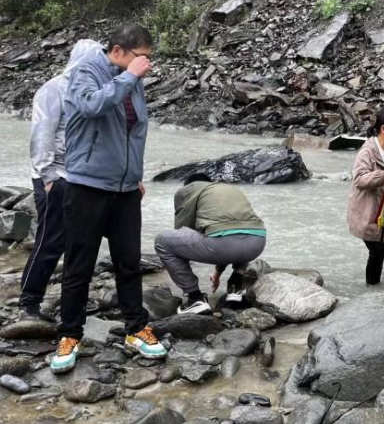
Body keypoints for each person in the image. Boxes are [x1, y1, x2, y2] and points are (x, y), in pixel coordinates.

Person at [50, 26, 166, 374]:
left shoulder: (133, 78)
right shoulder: (86, 72)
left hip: (125, 190)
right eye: (141, 54)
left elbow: (134, 132)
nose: (146, 62)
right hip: (86, 186)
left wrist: (133, 176)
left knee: (129, 262)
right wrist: (129, 77)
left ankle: (135, 328)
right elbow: (89, 107)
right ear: (118, 51)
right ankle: (70, 334)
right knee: (78, 266)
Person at [19, 43, 88, 320]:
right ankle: (29, 301)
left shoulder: (88, 90)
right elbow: (42, 134)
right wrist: (47, 177)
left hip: (81, 177)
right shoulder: (54, 89)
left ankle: (70, 302)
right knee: (50, 241)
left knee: (79, 242)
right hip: (54, 176)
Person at [155, 173, 267, 314]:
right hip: (257, 243)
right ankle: (235, 290)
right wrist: (218, 272)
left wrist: (180, 267)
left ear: (189, 185)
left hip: (223, 246)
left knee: (163, 241)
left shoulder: (188, 190)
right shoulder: (228, 189)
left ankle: (195, 299)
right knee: (239, 231)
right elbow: (230, 229)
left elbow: (183, 229)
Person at [347, 107, 384, 285]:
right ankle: (372, 292)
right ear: (383, 128)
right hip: (369, 213)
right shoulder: (368, 151)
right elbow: (360, 179)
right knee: (377, 252)